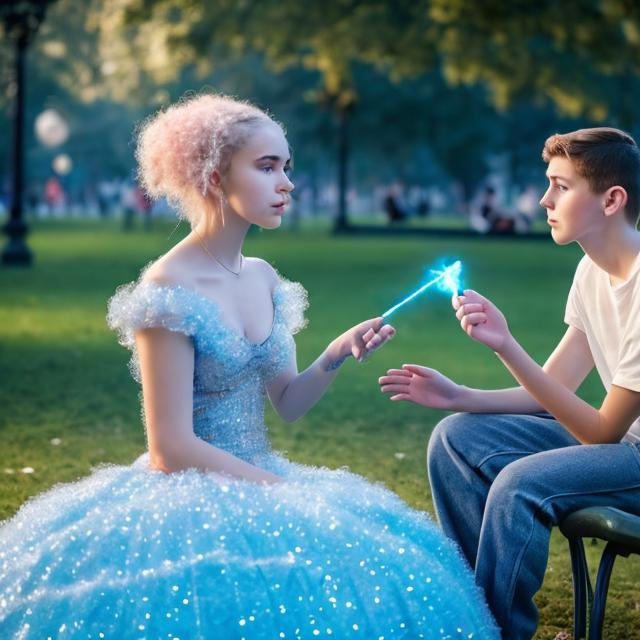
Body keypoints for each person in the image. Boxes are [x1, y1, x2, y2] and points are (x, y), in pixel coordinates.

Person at [0, 94, 499, 639]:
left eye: (286, 167)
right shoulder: (168, 289)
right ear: (215, 177)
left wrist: (333, 354)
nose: (286, 183)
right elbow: (171, 447)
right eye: (266, 167)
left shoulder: (262, 276)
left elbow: (287, 403)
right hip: (188, 491)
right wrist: (276, 490)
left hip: (260, 470)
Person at [379, 127, 640, 639]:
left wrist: (506, 344)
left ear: (612, 199)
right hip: (622, 448)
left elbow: (602, 431)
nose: (544, 199)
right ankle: (473, 612)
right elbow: (553, 388)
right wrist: (460, 397)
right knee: (457, 438)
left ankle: (490, 631)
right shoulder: (591, 272)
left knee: (520, 483)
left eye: (561, 187)